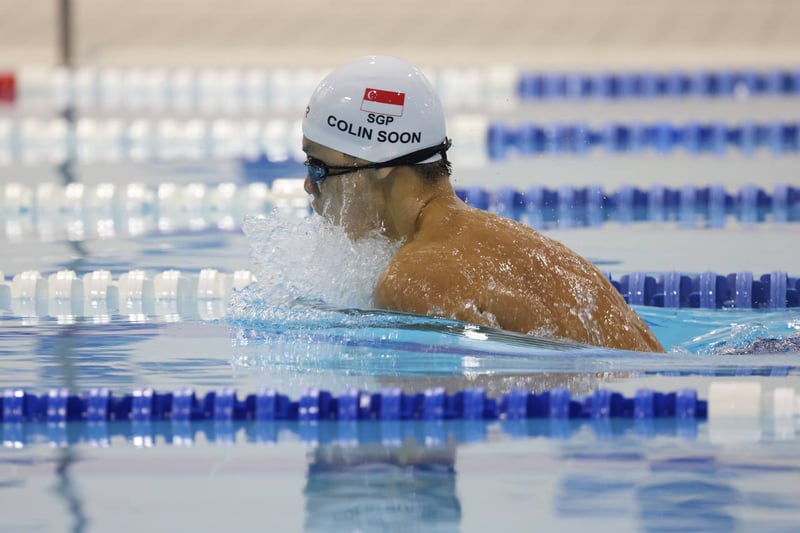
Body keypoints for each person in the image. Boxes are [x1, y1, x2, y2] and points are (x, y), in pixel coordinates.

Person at [301, 55, 664, 353]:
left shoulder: (413, 278)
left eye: (318, 167)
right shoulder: (521, 244)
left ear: (378, 165)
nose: (308, 186)